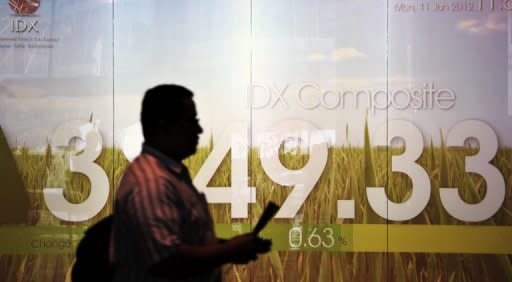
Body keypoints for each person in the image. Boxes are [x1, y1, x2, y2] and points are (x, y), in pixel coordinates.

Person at [110, 84, 271, 282]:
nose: (199, 129)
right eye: (191, 121)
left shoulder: (169, 175)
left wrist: (229, 247)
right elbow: (167, 260)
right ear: (164, 126)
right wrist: (229, 251)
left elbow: (182, 240)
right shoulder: (152, 183)